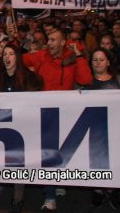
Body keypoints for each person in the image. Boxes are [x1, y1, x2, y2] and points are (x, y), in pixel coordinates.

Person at [23, 30, 92, 210]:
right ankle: (50, 196)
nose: (50, 43)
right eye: (49, 40)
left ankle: (58, 182)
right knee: (48, 154)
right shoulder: (41, 56)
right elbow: (18, 60)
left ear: (63, 43)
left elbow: (86, 79)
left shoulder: (72, 59)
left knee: (63, 153)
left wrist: (79, 56)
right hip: (44, 114)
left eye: (54, 40)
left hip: (66, 114)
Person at [0, 44, 43, 213]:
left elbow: (36, 98)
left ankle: (17, 199)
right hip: (5, 126)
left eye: (11, 54)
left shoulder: (31, 78)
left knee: (18, 163)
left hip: (24, 127)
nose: (7, 57)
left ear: (17, 57)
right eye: (4, 54)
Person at [85, 47, 120, 209]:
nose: (98, 62)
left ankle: (113, 189)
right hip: (94, 131)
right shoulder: (85, 83)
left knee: (115, 160)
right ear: (91, 63)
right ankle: (98, 189)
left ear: (108, 62)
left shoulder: (119, 80)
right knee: (97, 161)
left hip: (115, 129)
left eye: (101, 59)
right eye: (95, 59)